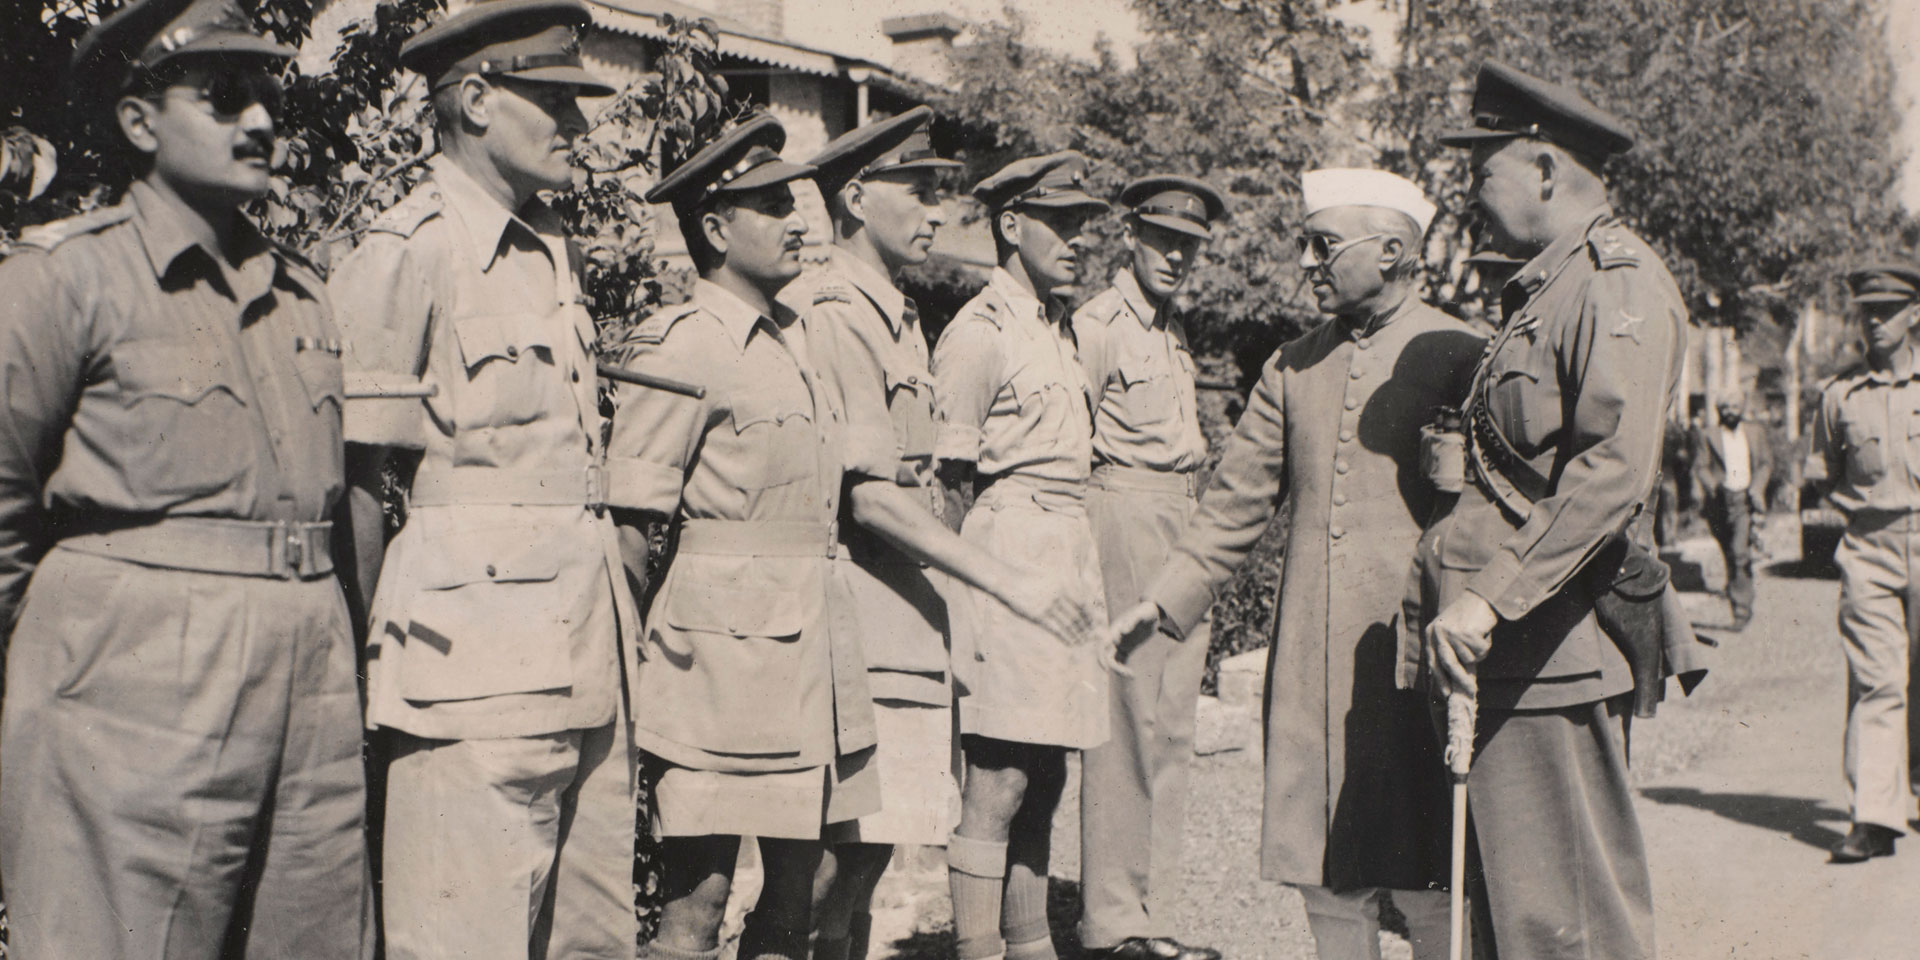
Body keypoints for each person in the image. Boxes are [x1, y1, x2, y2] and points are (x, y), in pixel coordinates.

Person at [0, 1, 372, 955]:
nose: (259, 121)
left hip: (310, 677)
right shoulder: (63, 281)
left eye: (266, 97)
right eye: (222, 97)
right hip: (135, 683)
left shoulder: (301, 291)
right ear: (138, 122)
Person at [1109, 169, 1483, 960]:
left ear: (1390, 252)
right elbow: (1236, 503)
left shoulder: (1463, 354)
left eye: (1323, 246)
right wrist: (1164, 601)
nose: (1306, 263)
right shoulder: (1291, 366)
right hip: (1315, 665)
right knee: (1326, 874)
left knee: (1431, 877)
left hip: (1418, 660)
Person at [329, 2, 638, 956]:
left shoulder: (555, 248)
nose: (579, 128)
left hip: (587, 656)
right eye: (553, 100)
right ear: (474, 100)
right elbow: (350, 479)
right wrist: (365, 656)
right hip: (466, 671)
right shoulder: (409, 248)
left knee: (587, 938)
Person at [781, 109, 1097, 960]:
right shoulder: (831, 310)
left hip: (903, 613)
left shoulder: (896, 313)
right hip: (853, 606)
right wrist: (998, 580)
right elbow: (878, 496)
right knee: (827, 865)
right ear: (852, 197)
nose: (933, 213)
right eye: (916, 191)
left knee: (866, 856)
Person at [1418, 62, 1686, 959]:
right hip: (1513, 649)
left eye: (1483, 169)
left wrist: (1488, 595)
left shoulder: (1616, 284)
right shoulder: (1551, 286)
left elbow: (1612, 472)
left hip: (1554, 647)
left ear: (1543, 169)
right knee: (1512, 922)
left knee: (1570, 924)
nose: (1472, 193)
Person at [607, 114, 876, 960]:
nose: (799, 219)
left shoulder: (802, 339)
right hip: (718, 664)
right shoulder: (685, 345)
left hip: (810, 654)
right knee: (699, 903)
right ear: (716, 229)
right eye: (769, 205)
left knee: (807, 889)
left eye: (795, 199)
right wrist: (628, 680)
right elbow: (631, 528)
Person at [932, 151, 1112, 960]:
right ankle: (977, 948)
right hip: (1006, 553)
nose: (1079, 240)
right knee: (999, 779)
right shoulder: (980, 332)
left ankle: (1032, 945)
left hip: (1066, 556)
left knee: (1047, 778)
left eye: (1085, 224)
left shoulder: (1057, 328)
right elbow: (949, 482)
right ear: (1011, 225)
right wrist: (966, 606)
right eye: (1062, 222)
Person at [1072, 174, 1225, 960]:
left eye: (1190, 245)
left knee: (1173, 725)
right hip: (1123, 513)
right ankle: (1110, 922)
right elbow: (1072, 442)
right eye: (1164, 239)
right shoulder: (1098, 325)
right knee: (1126, 725)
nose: (1177, 256)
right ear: (1130, 235)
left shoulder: (1172, 330)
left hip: (1180, 513)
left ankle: (1152, 915)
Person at [1809, 263, 1920, 863]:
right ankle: (1875, 817)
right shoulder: (1838, 396)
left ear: (1915, 314)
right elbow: (1821, 477)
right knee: (1879, 679)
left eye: (1888, 309)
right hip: (1870, 549)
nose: (1875, 321)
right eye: (1866, 311)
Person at [1692, 394, 1772, 627]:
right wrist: (1712, 486)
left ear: (1742, 408)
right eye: (1725, 406)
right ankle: (1738, 587)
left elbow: (1766, 463)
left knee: (1739, 553)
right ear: (1718, 410)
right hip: (1719, 501)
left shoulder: (1755, 433)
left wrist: (1757, 488)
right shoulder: (1709, 435)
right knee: (1730, 552)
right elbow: (1701, 465)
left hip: (1745, 499)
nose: (1730, 411)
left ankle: (1741, 610)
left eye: (1734, 405)